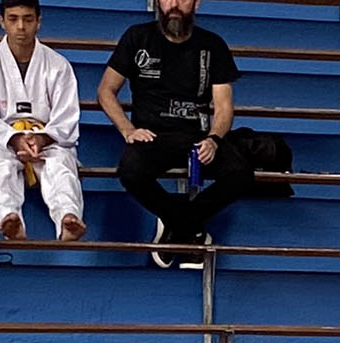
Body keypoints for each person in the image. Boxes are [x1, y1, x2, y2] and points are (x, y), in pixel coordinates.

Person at [97, 0, 254, 267]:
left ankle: (175, 223)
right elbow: (105, 91)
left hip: (198, 137)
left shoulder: (213, 44)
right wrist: (127, 129)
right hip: (151, 136)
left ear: (196, 3)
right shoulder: (137, 37)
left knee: (241, 174)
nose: (175, 5)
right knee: (130, 171)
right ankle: (190, 229)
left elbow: (225, 106)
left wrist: (214, 139)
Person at [0, 0, 85, 241]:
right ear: (2, 21)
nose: (21, 26)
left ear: (39, 22)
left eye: (28, 19)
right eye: (13, 19)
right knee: (0, 165)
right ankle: (10, 219)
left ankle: (68, 218)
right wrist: (14, 139)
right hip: (1, 138)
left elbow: (67, 115)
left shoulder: (58, 65)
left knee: (60, 164)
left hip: (48, 137)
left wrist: (42, 138)